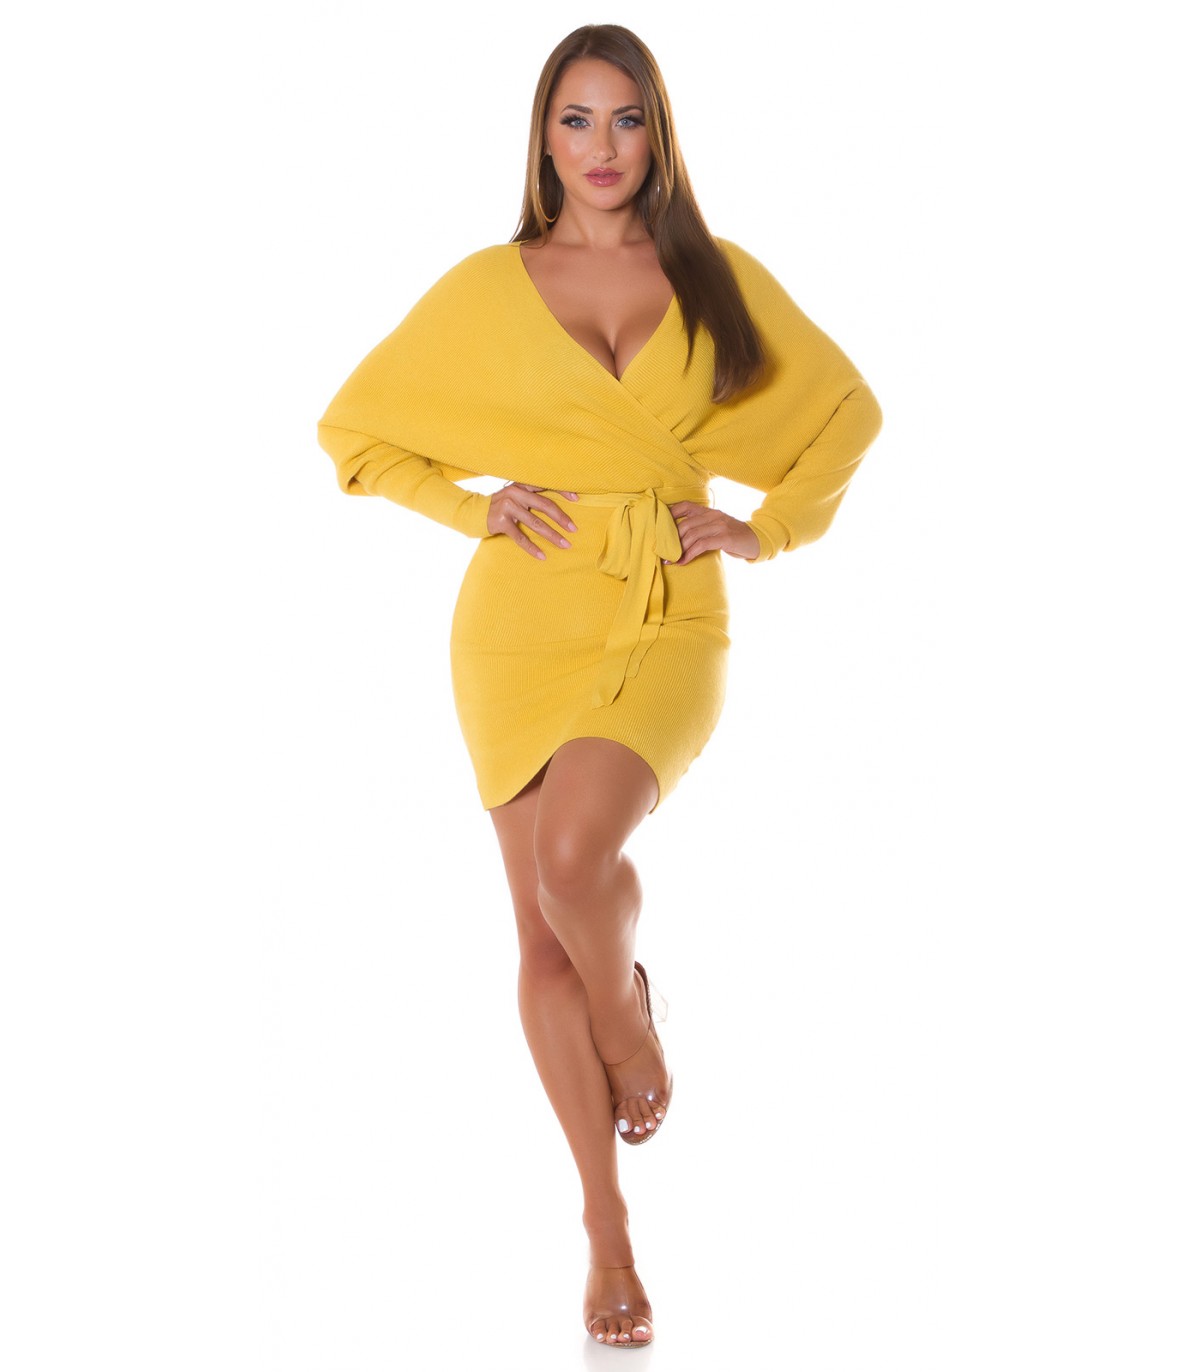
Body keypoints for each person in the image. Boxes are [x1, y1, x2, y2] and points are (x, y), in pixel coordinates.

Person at [316, 22, 883, 1349]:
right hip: (521, 617)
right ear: (543, 139)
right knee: (536, 939)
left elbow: (846, 413)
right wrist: (473, 509)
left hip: (668, 604)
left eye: (626, 118)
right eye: (575, 120)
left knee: (575, 862)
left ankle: (629, 1027)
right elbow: (354, 430)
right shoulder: (487, 285)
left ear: (657, 132)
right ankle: (607, 1230)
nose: (602, 146)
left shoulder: (716, 276)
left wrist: (767, 528)